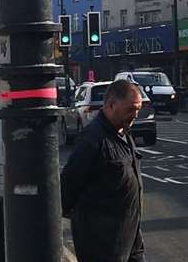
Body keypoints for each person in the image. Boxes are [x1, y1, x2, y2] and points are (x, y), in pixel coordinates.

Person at [61, 79, 145, 262]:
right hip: (103, 243)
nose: (136, 114)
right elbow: (69, 183)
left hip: (130, 238)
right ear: (112, 105)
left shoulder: (123, 133)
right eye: (131, 109)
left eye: (138, 109)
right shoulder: (92, 139)